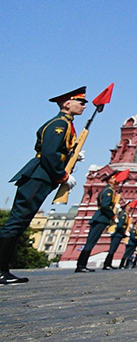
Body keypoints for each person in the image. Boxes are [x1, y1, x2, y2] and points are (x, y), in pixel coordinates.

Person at [1, 87, 86, 285]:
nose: (83, 106)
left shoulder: (66, 124)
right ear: (67, 104)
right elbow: (49, 153)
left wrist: (72, 156)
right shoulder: (59, 123)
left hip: (43, 177)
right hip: (38, 176)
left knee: (20, 222)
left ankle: (3, 269)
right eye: (80, 102)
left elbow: (57, 150)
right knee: (17, 221)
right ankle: (0, 271)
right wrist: (63, 175)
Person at [76, 172, 119, 272]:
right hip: (101, 218)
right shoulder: (109, 191)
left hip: (100, 218)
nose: (116, 180)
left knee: (91, 242)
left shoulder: (109, 190)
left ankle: (82, 265)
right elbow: (105, 206)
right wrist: (112, 215)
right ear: (109, 180)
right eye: (114, 178)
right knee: (90, 242)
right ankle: (81, 266)